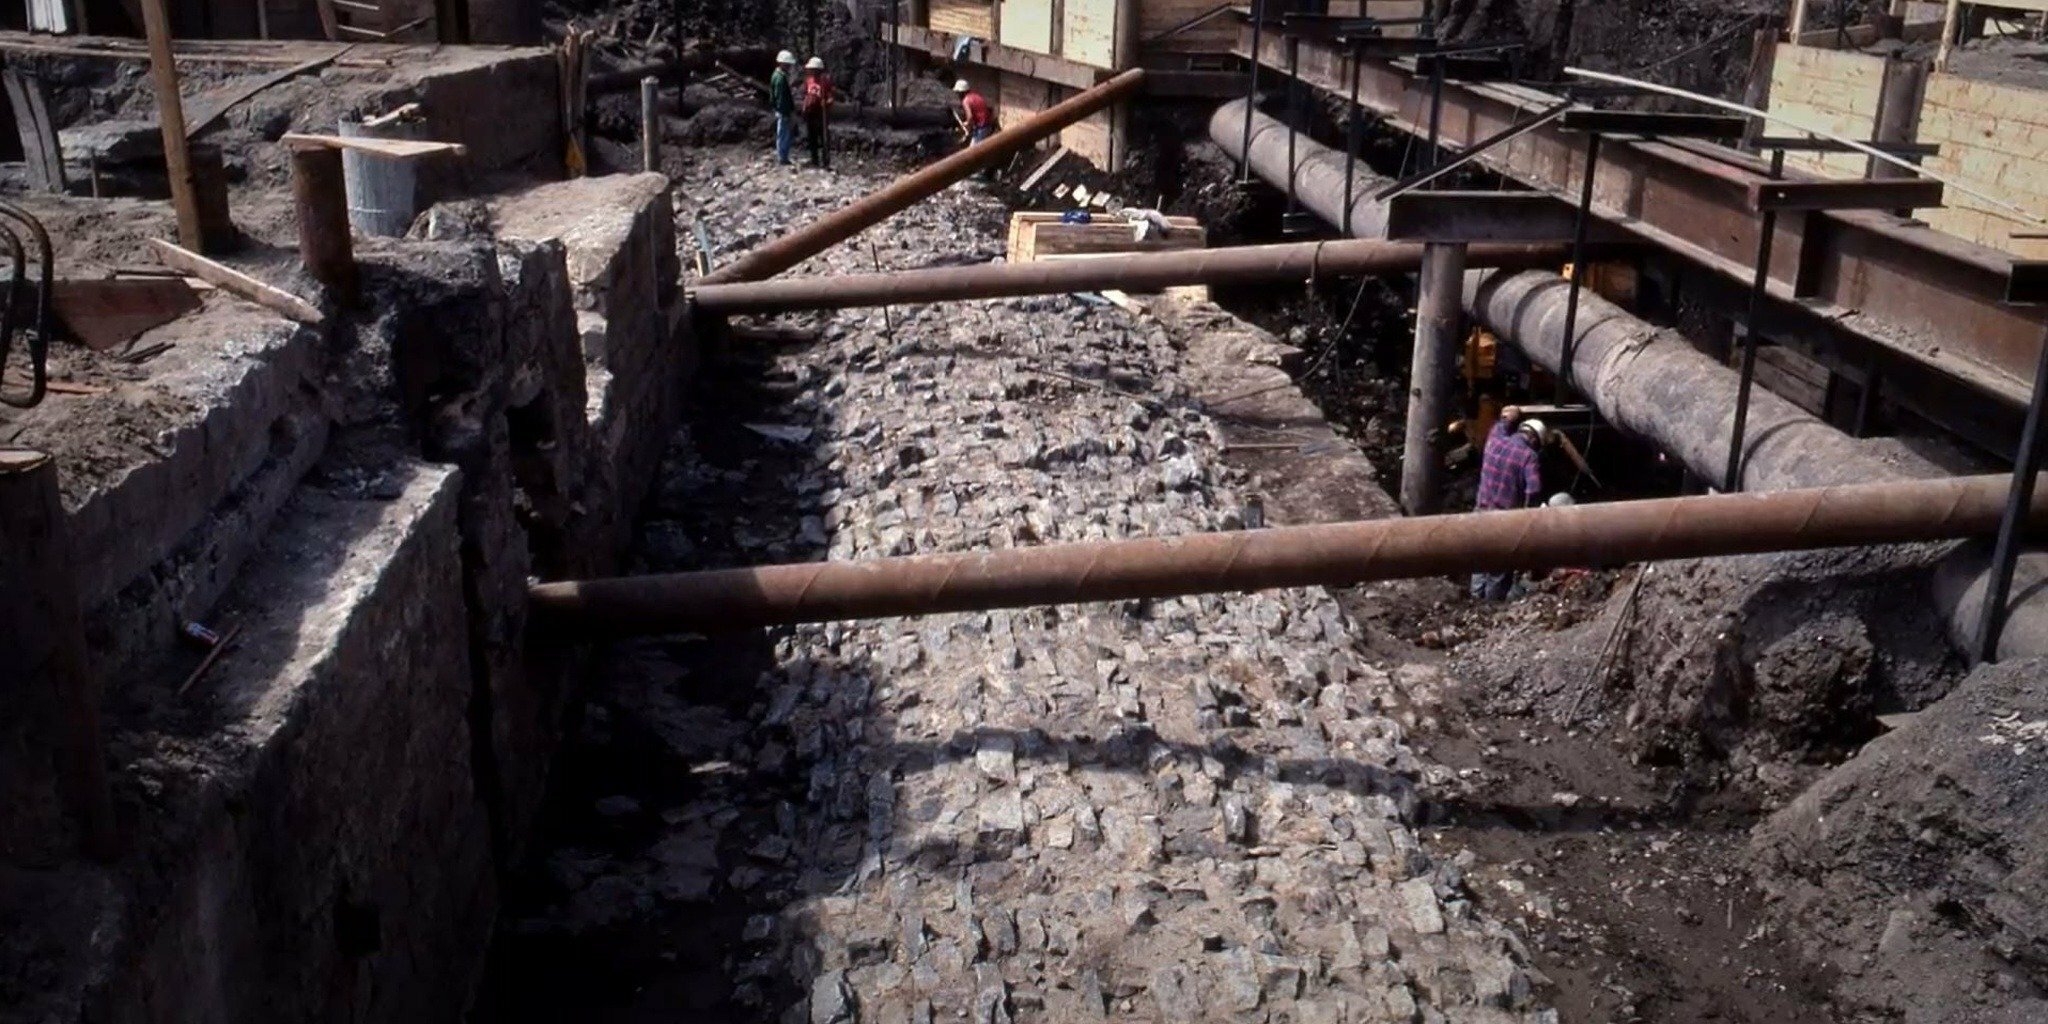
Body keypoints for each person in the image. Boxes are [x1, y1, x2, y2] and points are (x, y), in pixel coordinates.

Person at [1470, 407, 1545, 601]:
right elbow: (1533, 490)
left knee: (1479, 561)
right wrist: (1528, 518)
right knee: (1498, 572)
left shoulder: (1495, 439)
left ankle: (1474, 602)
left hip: (1480, 513)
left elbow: (1502, 423)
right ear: (1535, 440)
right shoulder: (1529, 456)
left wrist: (1511, 415)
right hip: (1503, 521)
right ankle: (1490, 612)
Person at [801, 56, 835, 170]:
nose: (812, 72)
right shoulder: (808, 81)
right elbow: (806, 95)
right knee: (812, 138)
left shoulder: (825, 82)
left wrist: (827, 102)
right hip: (810, 113)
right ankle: (814, 160)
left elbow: (831, 97)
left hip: (821, 114)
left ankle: (825, 161)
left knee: (823, 137)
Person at [769, 50, 798, 166]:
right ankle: (783, 158)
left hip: (780, 110)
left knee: (783, 134)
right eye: (788, 64)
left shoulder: (776, 76)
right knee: (784, 134)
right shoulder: (780, 78)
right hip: (783, 111)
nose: (789, 66)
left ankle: (783, 156)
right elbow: (781, 97)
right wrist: (786, 112)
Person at [955, 79, 994, 145]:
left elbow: (970, 117)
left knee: (973, 151)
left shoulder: (966, 101)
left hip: (981, 128)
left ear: (962, 92)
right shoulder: (976, 96)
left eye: (958, 93)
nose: (957, 95)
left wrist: (966, 124)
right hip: (988, 126)